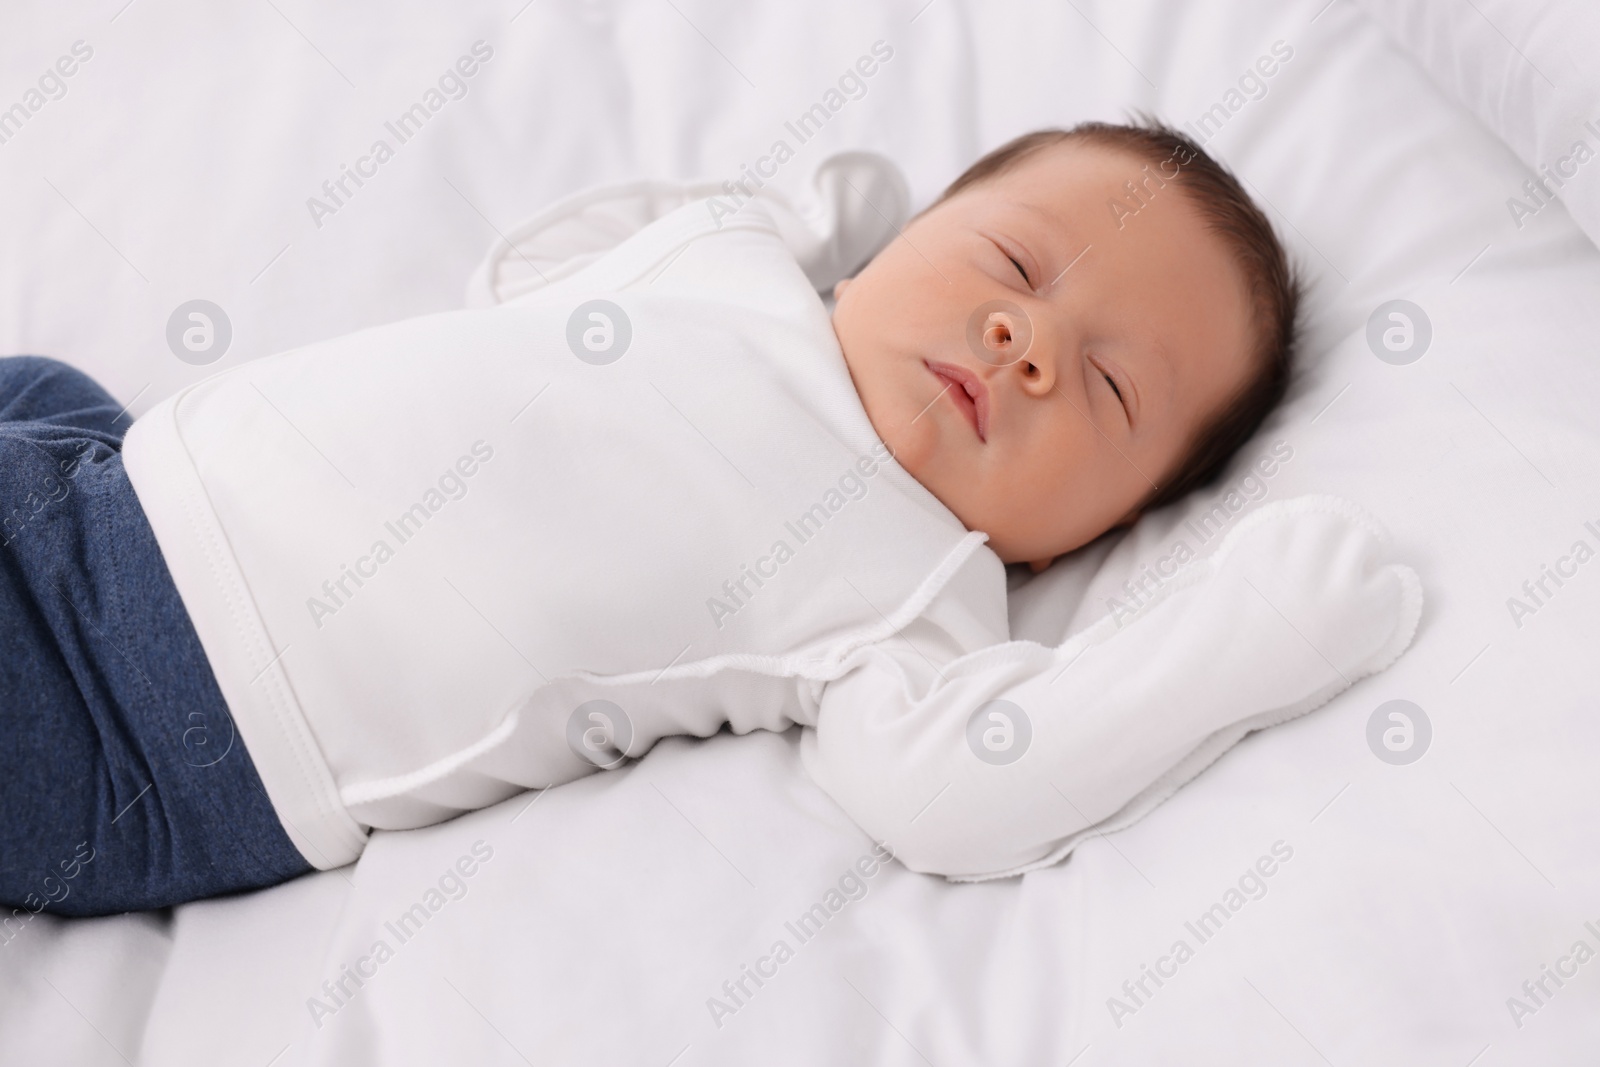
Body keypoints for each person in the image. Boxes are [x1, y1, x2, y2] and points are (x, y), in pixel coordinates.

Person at [0, 121, 1418, 918]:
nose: (1023, 337)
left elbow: (963, 799)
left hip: (152, 723)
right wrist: (783, 221)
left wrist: (1242, 644)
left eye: (1105, 389)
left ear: (1085, 538)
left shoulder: (912, 593)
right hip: (123, 473)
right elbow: (527, 275)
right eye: (1009, 260)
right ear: (901, 239)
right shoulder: (736, 266)